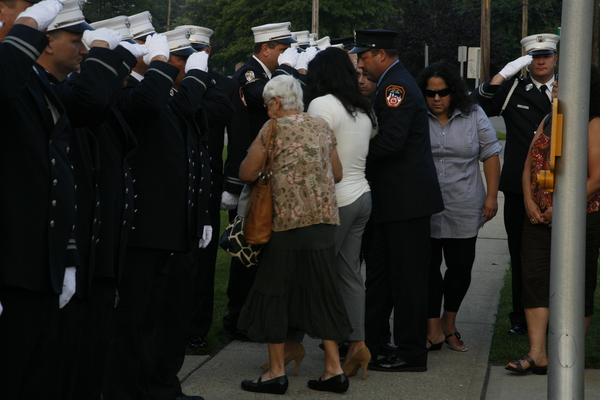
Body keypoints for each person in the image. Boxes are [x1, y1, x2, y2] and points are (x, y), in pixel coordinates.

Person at [103, 27, 212, 400]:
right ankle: (127, 390)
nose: (179, 67)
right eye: (178, 58)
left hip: (167, 227)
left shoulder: (163, 94)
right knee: (131, 321)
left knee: (154, 319)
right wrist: (170, 69)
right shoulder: (129, 93)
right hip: (140, 228)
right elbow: (150, 107)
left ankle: (154, 386)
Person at [237, 75, 351, 394]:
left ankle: (275, 372)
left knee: (274, 292)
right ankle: (334, 369)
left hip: (286, 224)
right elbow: (338, 173)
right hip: (324, 223)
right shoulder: (320, 126)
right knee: (322, 293)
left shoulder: (272, 128)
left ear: (276, 102)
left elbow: (246, 172)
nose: (265, 109)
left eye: (266, 103)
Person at [351, 29, 444, 372]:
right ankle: (374, 345)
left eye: (363, 57)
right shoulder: (391, 84)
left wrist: (351, 157)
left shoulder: (396, 87)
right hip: (392, 201)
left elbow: (391, 142)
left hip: (406, 202)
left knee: (407, 281)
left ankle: (410, 352)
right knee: (380, 277)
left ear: (380, 55)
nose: (360, 64)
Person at [0, 1, 77, 398]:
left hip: (38, 258)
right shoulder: (11, 72)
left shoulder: (32, 78)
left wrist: (66, 254)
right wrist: (28, 25)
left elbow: (55, 171)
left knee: (34, 378)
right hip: (11, 261)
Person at [506, 66, 600, 374]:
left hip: (580, 218)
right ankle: (538, 353)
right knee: (533, 279)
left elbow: (596, 179)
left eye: (564, 81)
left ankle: (567, 356)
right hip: (538, 218)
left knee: (577, 284)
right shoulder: (549, 119)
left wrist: (560, 208)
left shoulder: (593, 124)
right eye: (557, 80)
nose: (556, 86)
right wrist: (530, 200)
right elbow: (529, 164)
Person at [470, 33, 559, 336]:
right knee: (521, 252)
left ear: (556, 58)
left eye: (546, 55)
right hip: (520, 186)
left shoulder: (568, 89)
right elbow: (474, 107)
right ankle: (521, 316)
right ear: (526, 62)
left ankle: (558, 312)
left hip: (561, 184)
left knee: (561, 254)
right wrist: (500, 76)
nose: (541, 60)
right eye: (535, 57)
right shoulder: (514, 90)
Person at [225, 22, 306, 341]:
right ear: (265, 49)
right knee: (245, 251)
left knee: (261, 254)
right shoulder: (249, 74)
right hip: (249, 176)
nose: (284, 55)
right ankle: (236, 318)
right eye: (281, 50)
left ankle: (252, 316)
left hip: (266, 179)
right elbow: (263, 96)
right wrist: (290, 70)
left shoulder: (269, 75)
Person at [416, 61, 501, 352]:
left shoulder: (473, 114)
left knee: (460, 267)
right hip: (425, 204)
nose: (436, 98)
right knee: (428, 268)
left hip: (464, 203)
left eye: (443, 92)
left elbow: (490, 154)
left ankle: (448, 324)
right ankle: (431, 329)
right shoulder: (417, 115)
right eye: (430, 93)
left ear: (454, 92)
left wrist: (491, 196)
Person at [175, 24, 250, 350]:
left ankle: (195, 328)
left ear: (207, 53)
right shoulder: (164, 82)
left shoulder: (222, 84)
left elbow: (238, 137)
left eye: (198, 52)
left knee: (203, 262)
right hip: (174, 182)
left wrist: (231, 184)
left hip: (206, 182)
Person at [306, 47, 377, 380]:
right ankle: (358, 345)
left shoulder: (321, 105)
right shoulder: (362, 108)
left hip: (334, 202)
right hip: (362, 195)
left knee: (316, 279)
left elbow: (314, 156)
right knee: (349, 275)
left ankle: (329, 357)